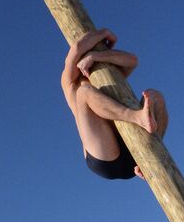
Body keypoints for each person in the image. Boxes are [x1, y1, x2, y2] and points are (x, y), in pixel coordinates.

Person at [61, 28, 167, 180]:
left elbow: (132, 61)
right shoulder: (70, 81)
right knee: (83, 92)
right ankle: (137, 118)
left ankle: (154, 148)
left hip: (130, 148)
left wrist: (96, 56)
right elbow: (77, 48)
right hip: (104, 156)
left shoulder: (106, 71)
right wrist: (103, 33)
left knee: (156, 96)